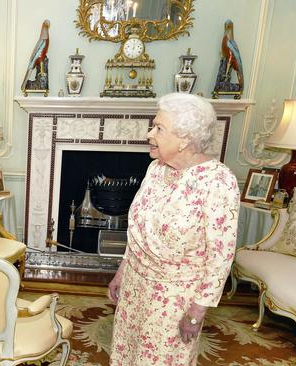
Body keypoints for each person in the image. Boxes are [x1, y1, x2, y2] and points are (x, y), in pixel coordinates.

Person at [108, 93, 240, 365]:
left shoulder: (218, 181)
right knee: (127, 352)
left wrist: (197, 311)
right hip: (135, 285)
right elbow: (139, 229)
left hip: (175, 297)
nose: (149, 134)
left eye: (158, 128)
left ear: (185, 139)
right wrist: (122, 272)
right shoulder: (155, 169)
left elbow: (221, 255)